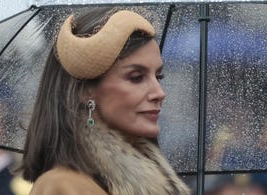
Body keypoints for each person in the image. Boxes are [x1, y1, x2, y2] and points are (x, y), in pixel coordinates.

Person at [18, 7, 190, 195]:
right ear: (85, 91)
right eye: (136, 77)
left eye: (159, 76)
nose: (159, 92)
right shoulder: (62, 187)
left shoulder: (148, 181)